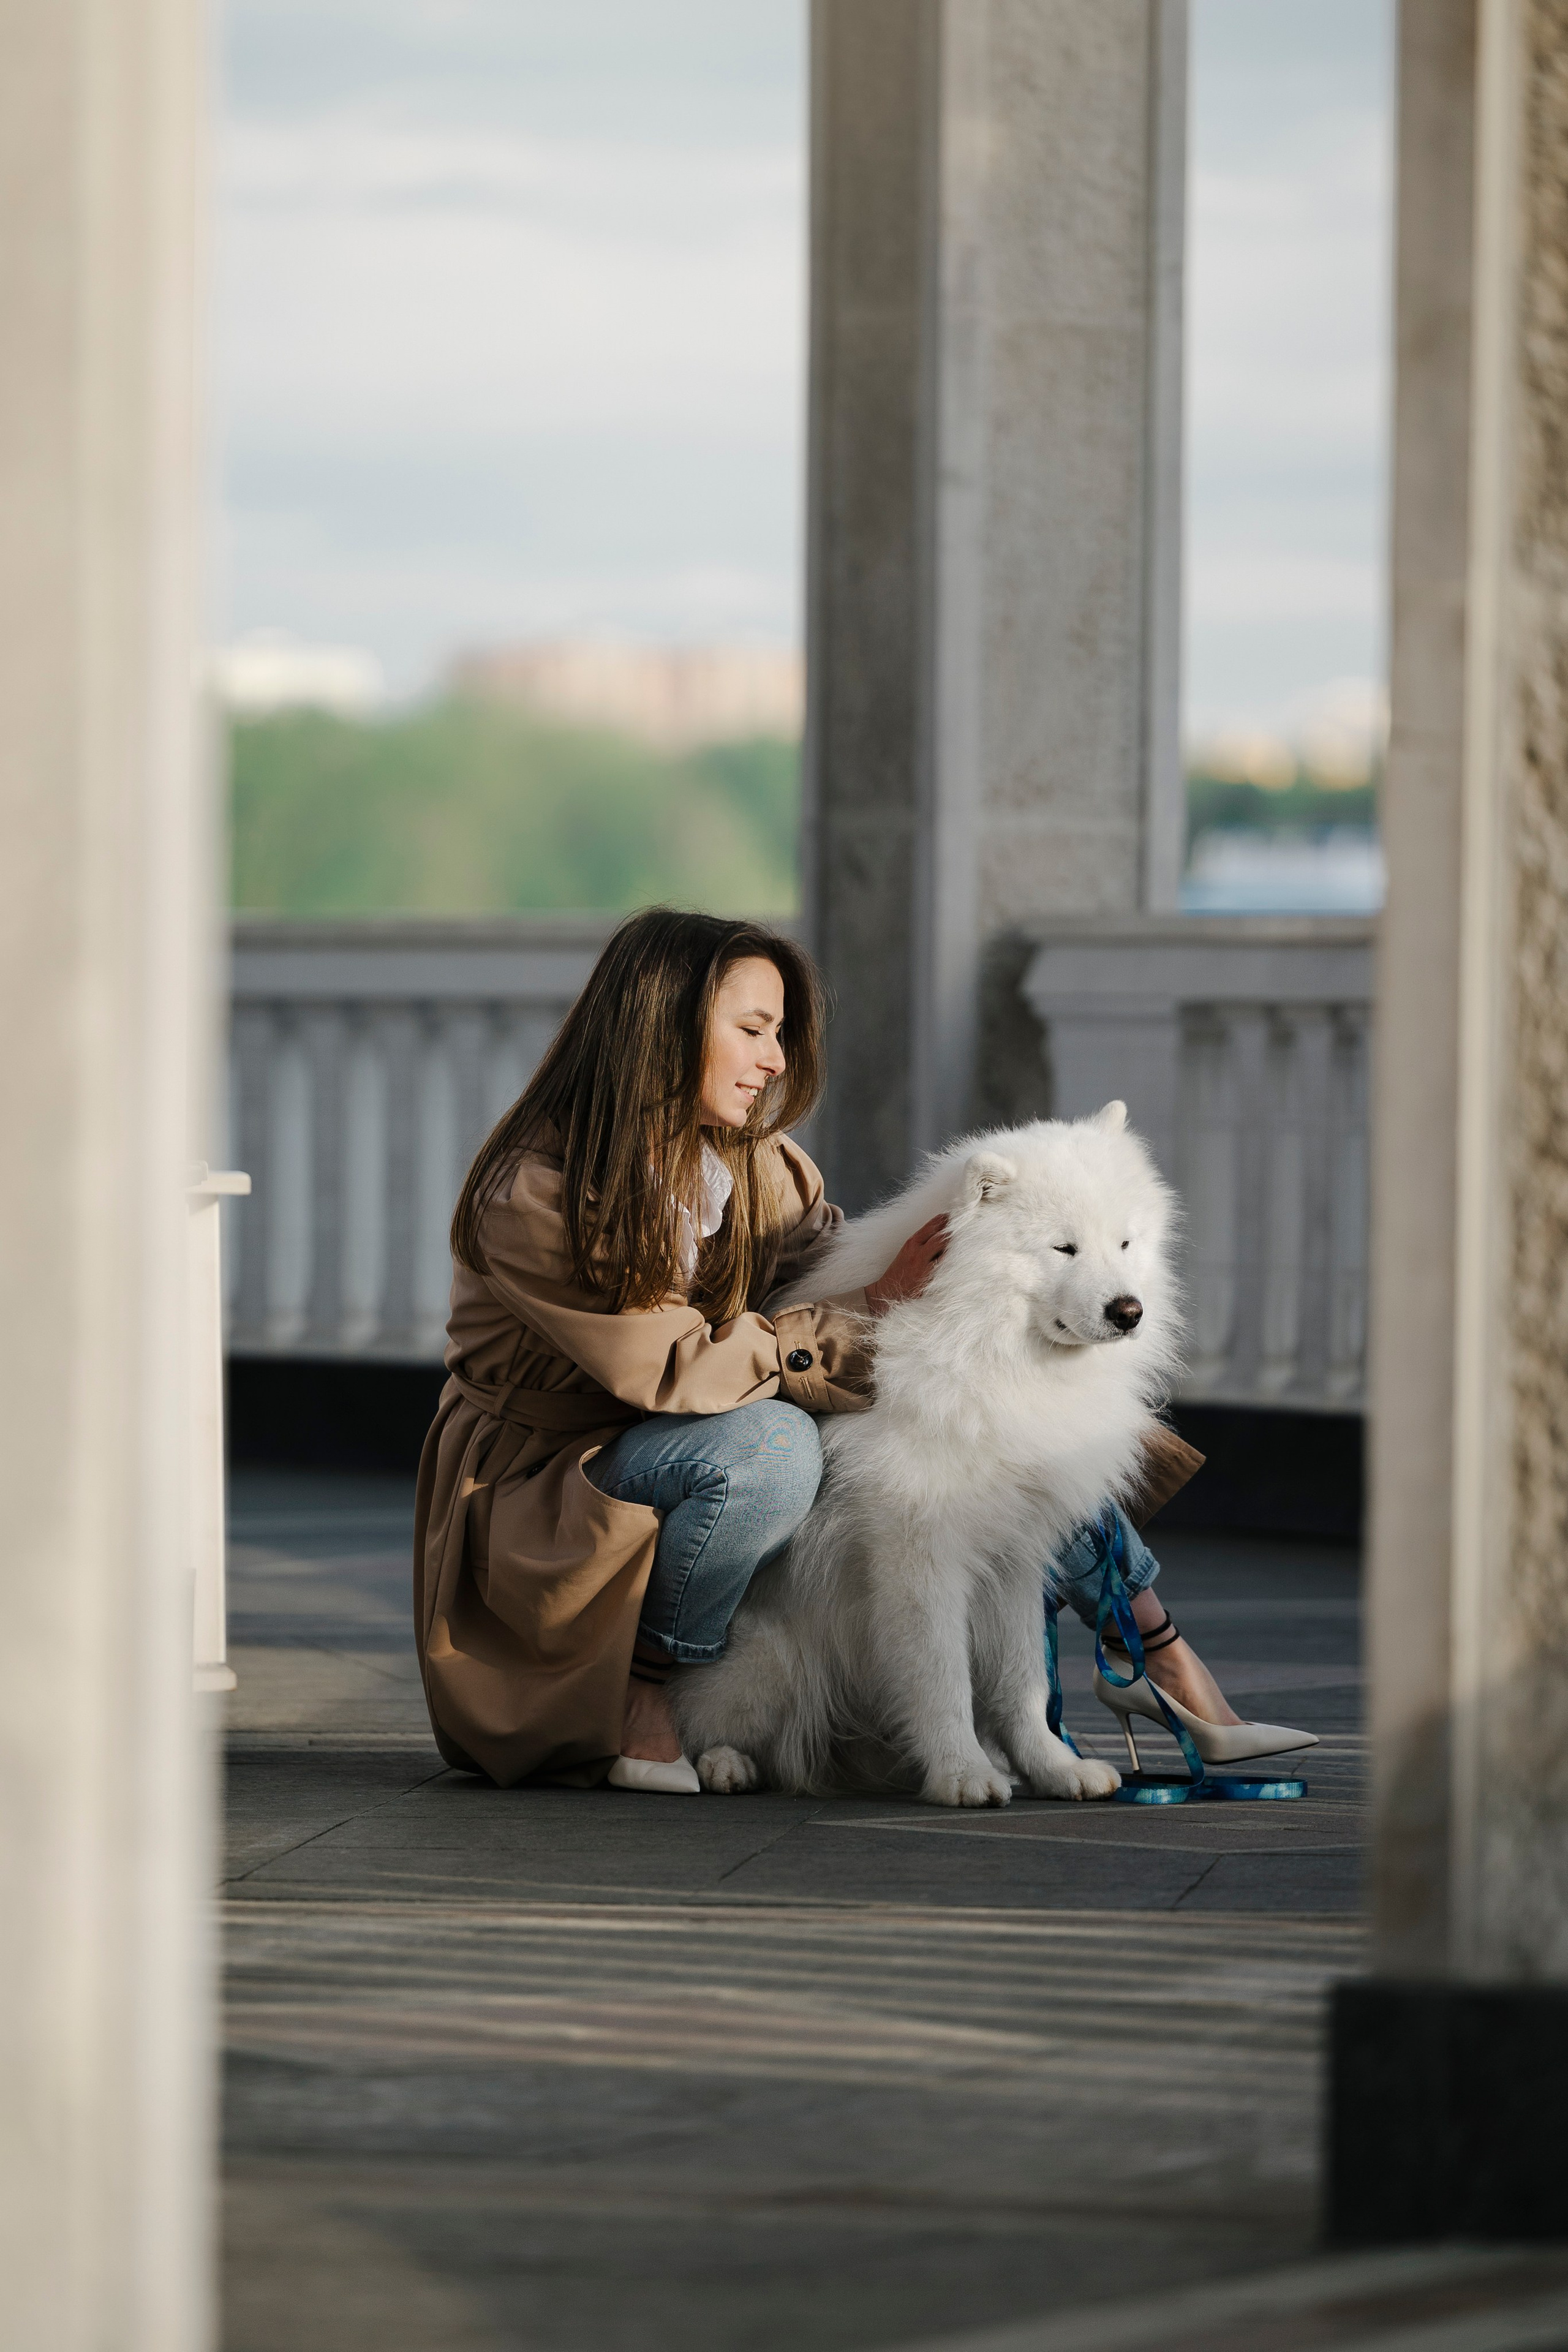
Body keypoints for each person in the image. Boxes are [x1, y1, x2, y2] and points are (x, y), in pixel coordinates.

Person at [413, 908, 1313, 1796]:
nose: (775, 1059)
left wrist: (951, 1270)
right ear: (661, 1027)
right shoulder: (535, 1192)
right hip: (569, 1467)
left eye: (781, 1033)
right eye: (755, 1030)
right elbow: (666, 1369)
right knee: (772, 1452)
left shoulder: (758, 1163)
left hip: (698, 1424)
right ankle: (650, 1689)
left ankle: (1150, 1650)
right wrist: (870, 1304)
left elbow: (821, 1269)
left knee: (1029, 1434)